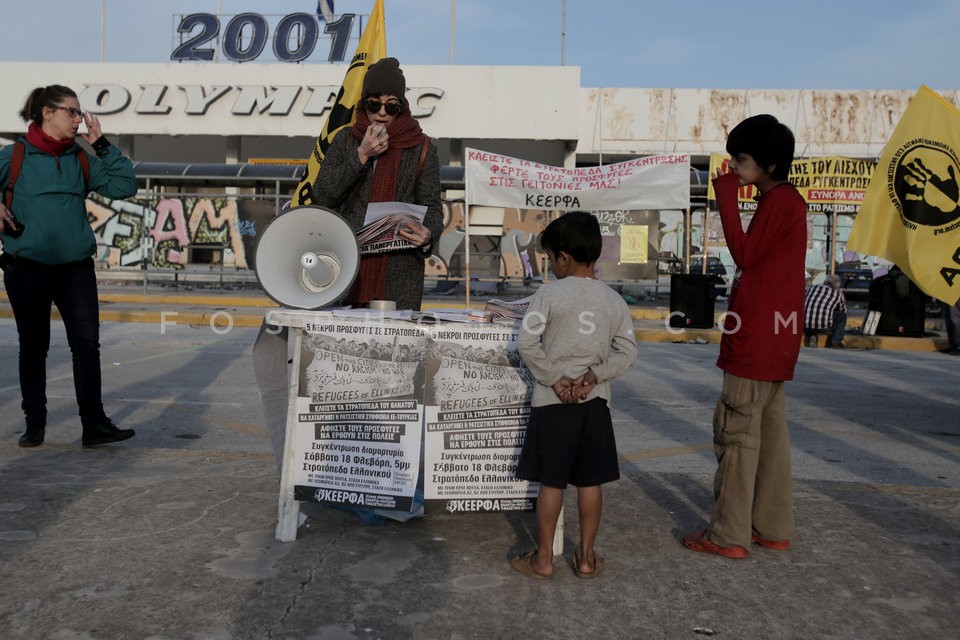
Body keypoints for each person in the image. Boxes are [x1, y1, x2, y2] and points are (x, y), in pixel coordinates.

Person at [682, 114, 807, 559]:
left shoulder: (778, 203)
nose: (734, 166)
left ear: (769, 165)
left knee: (736, 436)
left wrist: (726, 199)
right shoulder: (789, 201)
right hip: (776, 338)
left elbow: (745, 255)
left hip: (755, 339)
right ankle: (770, 525)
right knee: (770, 438)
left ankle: (728, 534)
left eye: (742, 159)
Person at [0, 85, 138, 448]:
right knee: (33, 347)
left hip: (76, 270)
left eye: (79, 112)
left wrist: (102, 144)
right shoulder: (15, 155)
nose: (80, 119)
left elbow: (125, 186)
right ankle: (35, 424)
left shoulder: (81, 157)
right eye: (72, 112)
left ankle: (94, 425)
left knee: (86, 346)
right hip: (26, 268)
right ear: (47, 112)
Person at [511, 211, 638, 579]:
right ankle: (585, 557)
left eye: (551, 258)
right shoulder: (614, 301)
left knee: (551, 483)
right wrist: (593, 376)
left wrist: (556, 379)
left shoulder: (547, 295)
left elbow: (527, 342)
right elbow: (627, 352)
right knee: (589, 482)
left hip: (553, 404)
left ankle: (544, 560)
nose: (552, 265)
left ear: (563, 257)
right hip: (593, 403)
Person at [312, 57, 442, 311]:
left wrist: (428, 236)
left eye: (391, 107)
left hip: (400, 274)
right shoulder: (346, 140)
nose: (382, 112)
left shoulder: (422, 147)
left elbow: (433, 209)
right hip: (348, 269)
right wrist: (361, 155)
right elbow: (322, 196)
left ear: (401, 108)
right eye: (375, 105)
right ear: (364, 104)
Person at [803, 274, 847, 348]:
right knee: (842, 316)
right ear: (837, 285)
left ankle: (811, 335)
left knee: (812, 313)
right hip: (824, 326)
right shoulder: (838, 293)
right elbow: (843, 310)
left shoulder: (812, 288)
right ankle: (835, 341)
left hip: (804, 325)